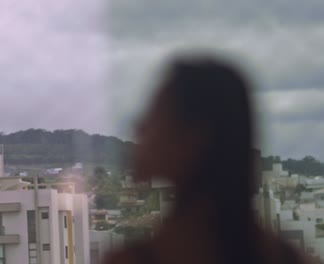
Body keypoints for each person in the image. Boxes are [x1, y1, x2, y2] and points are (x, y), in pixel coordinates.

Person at [104, 54, 308, 264]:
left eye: (153, 117)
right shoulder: (284, 256)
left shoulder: (137, 259)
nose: (139, 129)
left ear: (193, 137)